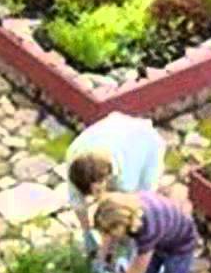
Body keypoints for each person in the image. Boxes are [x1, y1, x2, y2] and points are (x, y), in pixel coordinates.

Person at [64, 111, 168, 262]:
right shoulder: (73, 157)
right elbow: (76, 201)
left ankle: (132, 244)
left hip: (145, 142)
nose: (95, 197)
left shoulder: (127, 178)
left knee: (142, 202)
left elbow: (122, 207)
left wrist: (105, 249)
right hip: (112, 130)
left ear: (106, 178)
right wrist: (87, 232)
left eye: (98, 190)